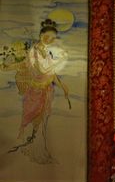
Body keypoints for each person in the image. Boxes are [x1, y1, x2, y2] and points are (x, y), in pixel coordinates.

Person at [0, 18, 70, 163]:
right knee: (32, 117)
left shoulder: (47, 53)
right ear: (40, 35)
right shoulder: (33, 52)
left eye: (52, 39)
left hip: (46, 91)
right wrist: (60, 60)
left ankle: (38, 150)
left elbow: (52, 73)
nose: (49, 40)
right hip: (35, 91)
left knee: (42, 121)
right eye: (46, 37)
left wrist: (62, 86)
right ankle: (28, 150)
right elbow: (44, 69)